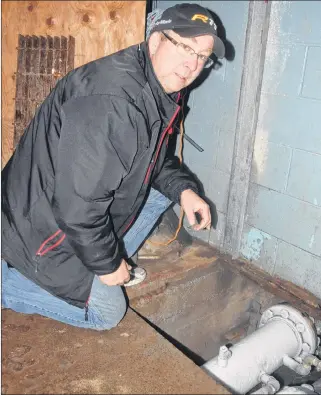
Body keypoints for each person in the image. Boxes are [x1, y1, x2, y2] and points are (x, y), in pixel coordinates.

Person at [1, 3, 225, 330]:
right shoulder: (112, 103)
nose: (192, 64)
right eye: (184, 47)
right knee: (108, 314)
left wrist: (185, 191)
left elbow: (153, 160)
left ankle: (105, 257)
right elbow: (77, 209)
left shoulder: (160, 88)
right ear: (154, 41)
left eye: (202, 56)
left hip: (66, 207)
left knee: (166, 195)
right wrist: (108, 265)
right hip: (36, 231)